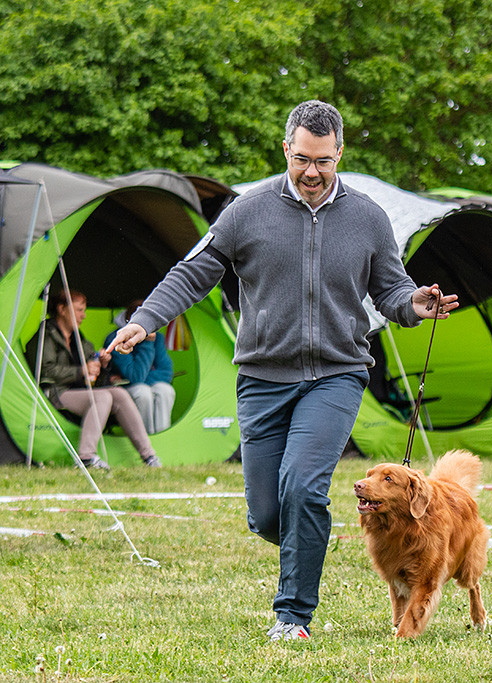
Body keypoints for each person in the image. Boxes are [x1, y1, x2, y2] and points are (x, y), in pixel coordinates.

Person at [105, 100, 459, 642]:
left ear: (339, 153)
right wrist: (148, 318)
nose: (312, 172)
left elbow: (390, 289)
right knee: (267, 514)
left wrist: (415, 304)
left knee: (303, 486)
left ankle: (292, 617)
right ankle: (306, 537)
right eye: (301, 159)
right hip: (263, 379)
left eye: (323, 160)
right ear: (285, 151)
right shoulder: (247, 211)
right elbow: (194, 270)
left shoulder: (367, 217)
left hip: (336, 375)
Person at [24, 289, 162, 470]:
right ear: (62, 309)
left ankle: (149, 456)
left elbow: (94, 376)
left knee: (118, 393)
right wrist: (81, 370)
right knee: (103, 397)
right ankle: (86, 458)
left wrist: (102, 365)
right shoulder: (44, 337)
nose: (84, 315)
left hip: (78, 392)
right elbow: (44, 372)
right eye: (80, 310)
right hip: (54, 392)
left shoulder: (79, 339)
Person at [104, 300, 176, 434]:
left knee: (165, 390)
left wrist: (141, 378)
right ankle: (146, 444)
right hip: (121, 390)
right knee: (143, 393)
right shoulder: (116, 338)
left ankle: (162, 439)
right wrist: (147, 343)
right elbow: (135, 376)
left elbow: (167, 373)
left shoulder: (157, 338)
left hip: (136, 383)